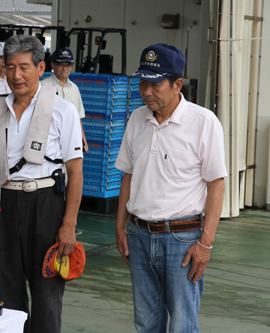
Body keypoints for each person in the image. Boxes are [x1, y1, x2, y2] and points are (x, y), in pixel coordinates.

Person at [114, 43, 227, 332]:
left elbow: (216, 184)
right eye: (143, 83)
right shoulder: (137, 119)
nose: (146, 91)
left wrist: (205, 244)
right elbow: (128, 174)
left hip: (183, 240)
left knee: (182, 324)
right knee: (145, 322)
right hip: (139, 236)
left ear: (177, 84)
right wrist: (120, 226)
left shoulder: (203, 122)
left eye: (155, 84)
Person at [0, 34, 83, 333]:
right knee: (5, 293)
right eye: (10, 67)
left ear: (41, 68)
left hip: (46, 204)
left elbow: (75, 172)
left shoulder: (63, 111)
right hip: (4, 205)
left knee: (47, 293)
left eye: (24, 67)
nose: (16, 75)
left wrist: (69, 225)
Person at [41, 48, 88, 154]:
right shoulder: (43, 86)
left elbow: (78, 118)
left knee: (69, 169)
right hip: (50, 140)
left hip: (71, 139)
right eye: (61, 64)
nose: (65, 68)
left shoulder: (74, 88)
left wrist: (83, 141)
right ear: (53, 65)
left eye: (68, 65)